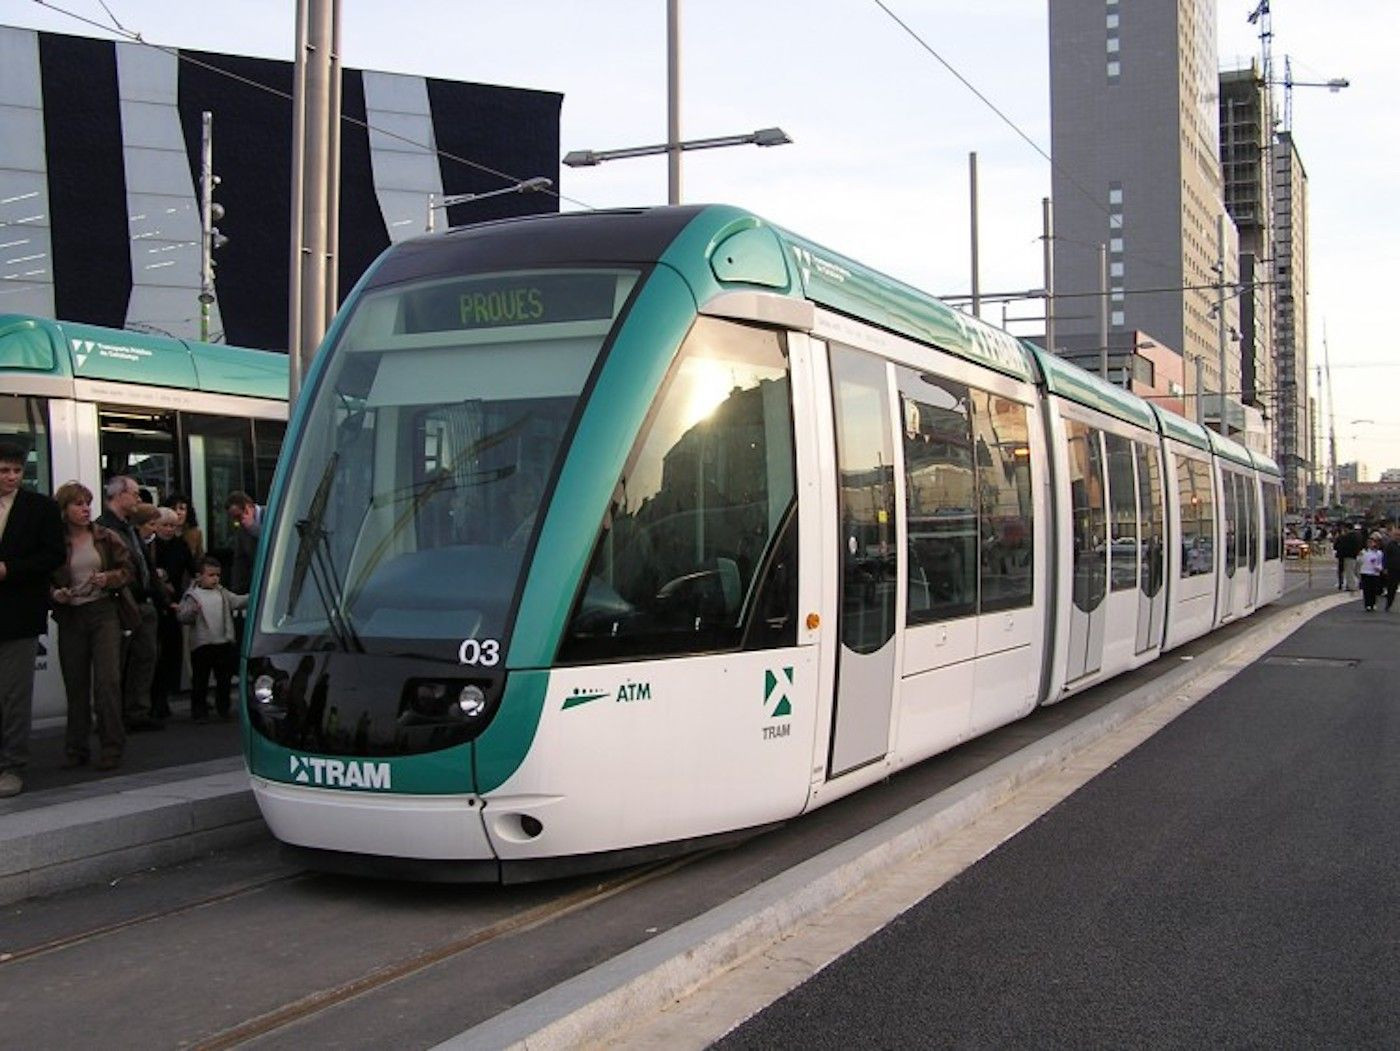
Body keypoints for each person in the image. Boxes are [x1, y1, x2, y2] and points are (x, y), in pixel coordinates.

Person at [49, 480, 134, 770]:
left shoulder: (106, 536)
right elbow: (45, 577)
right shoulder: (55, 542)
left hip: (103, 612)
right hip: (71, 614)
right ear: (64, 509)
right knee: (76, 685)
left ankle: (112, 747)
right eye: (78, 504)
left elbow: (128, 570)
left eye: (87, 503)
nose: (85, 509)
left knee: (107, 682)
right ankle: (76, 748)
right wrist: (55, 593)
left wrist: (108, 578)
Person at [0, 444, 65, 798]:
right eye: (4, 471)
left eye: (16, 471)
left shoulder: (40, 508)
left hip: (18, 615)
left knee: (14, 695)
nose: (11, 477)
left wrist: (10, 569)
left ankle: (12, 765)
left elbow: (53, 554)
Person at [96, 478, 164, 731]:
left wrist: (160, 597)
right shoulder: (104, 529)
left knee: (145, 657)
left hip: (144, 602)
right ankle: (115, 716)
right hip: (123, 604)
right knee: (117, 662)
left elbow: (145, 565)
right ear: (120, 495)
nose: (138, 500)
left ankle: (137, 711)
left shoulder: (130, 529)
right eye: (135, 494)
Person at [177, 556, 248, 721]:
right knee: (200, 680)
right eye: (211, 575)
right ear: (199, 576)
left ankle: (223, 708)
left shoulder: (222, 593)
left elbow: (237, 601)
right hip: (202, 644)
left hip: (222, 642)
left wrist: (254, 596)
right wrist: (193, 611)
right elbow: (182, 616)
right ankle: (199, 711)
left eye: (217, 575)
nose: (215, 578)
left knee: (224, 680)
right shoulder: (192, 595)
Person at [150, 507, 195, 719]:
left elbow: (193, 570)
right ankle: (155, 701)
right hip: (158, 604)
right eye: (165, 526)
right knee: (156, 655)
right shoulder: (150, 547)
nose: (169, 530)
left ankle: (164, 698)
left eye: (173, 526)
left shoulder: (181, 546)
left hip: (175, 603)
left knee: (170, 654)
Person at [225, 490, 264, 595]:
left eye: (238, 517)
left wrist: (253, 528)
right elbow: (240, 561)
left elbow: (276, 541)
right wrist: (235, 592)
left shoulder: (273, 514)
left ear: (248, 508)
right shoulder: (241, 530)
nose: (237, 522)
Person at [162, 492, 204, 561]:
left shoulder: (196, 533)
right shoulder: (161, 531)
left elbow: (199, 560)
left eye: (182, 509)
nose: (178, 512)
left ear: (188, 512)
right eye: (173, 509)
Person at [1357, 534, 1385, 612]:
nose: (1371, 544)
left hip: (1374, 573)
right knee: (1366, 590)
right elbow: (1359, 561)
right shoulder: (1363, 552)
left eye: (1373, 542)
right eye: (1369, 543)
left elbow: (1381, 563)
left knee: (1374, 589)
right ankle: (1367, 604)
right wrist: (1359, 556)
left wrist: (1379, 568)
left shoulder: (1379, 553)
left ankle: (1373, 603)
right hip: (1365, 572)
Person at [1333, 523, 1362, 592]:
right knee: (1357, 571)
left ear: (1346, 528)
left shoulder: (1345, 537)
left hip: (1348, 556)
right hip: (1356, 555)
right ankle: (1364, 583)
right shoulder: (1358, 536)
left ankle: (1351, 586)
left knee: (1349, 572)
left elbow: (1339, 546)